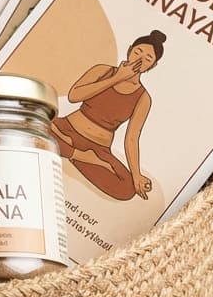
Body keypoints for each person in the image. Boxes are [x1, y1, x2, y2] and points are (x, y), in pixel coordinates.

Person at [52, 30, 166, 201]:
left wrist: (137, 175)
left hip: (99, 149)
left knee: (126, 189)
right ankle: (79, 156)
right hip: (66, 128)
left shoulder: (143, 98)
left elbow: (132, 137)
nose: (140, 59)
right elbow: (73, 96)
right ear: (130, 50)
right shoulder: (103, 70)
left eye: (148, 59)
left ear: (152, 66)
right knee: (35, 123)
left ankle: (67, 150)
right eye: (138, 52)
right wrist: (116, 78)